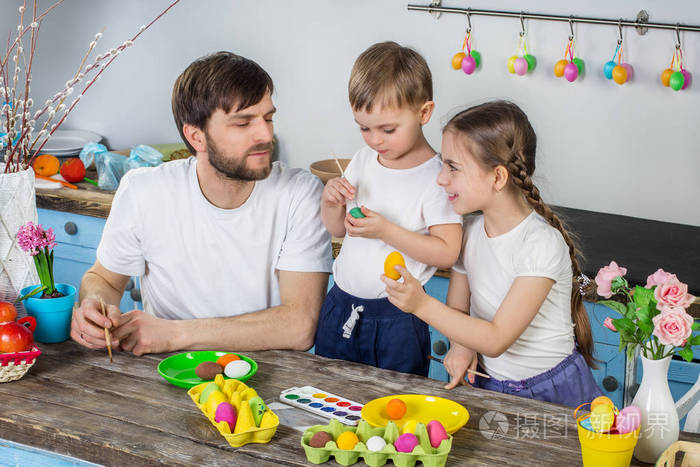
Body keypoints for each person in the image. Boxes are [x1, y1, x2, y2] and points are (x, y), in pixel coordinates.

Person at [70, 51, 332, 356]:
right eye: (243, 123)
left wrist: (175, 335)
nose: (266, 134)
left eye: (268, 118)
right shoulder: (144, 191)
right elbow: (103, 279)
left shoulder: (299, 194)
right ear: (197, 137)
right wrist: (94, 307)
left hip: (268, 377)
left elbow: (299, 326)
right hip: (164, 374)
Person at [382, 101, 602, 407]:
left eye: (453, 167)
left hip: (554, 393)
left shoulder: (540, 243)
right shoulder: (469, 233)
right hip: (492, 386)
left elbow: (496, 339)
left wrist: (420, 304)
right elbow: (458, 310)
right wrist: (461, 345)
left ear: (497, 177)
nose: (441, 178)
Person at [314, 42, 462, 377]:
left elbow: (447, 252)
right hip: (340, 304)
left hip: (398, 316)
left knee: (397, 405)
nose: (375, 140)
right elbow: (338, 229)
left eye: (388, 129)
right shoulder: (364, 159)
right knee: (327, 393)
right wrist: (331, 201)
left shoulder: (437, 176)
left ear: (424, 113)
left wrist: (387, 231)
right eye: (364, 128)